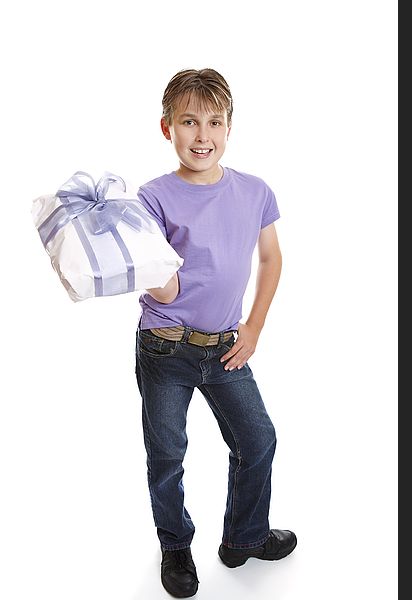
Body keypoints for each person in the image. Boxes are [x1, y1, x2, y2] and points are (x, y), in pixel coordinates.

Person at [134, 68, 297, 598]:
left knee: (258, 439)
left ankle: (243, 538)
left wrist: (253, 326)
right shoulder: (152, 198)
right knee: (167, 453)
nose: (201, 135)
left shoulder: (255, 192)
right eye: (188, 122)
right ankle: (176, 545)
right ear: (167, 129)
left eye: (213, 122)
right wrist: (140, 261)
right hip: (166, 347)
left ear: (229, 128)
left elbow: (271, 259)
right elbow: (167, 288)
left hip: (228, 345)